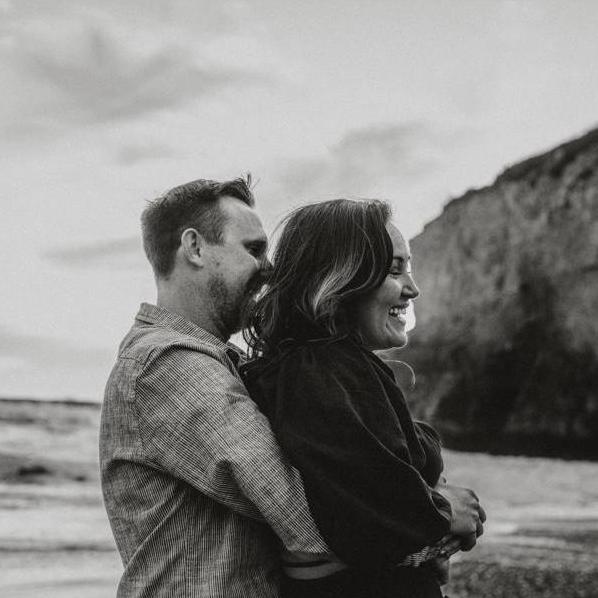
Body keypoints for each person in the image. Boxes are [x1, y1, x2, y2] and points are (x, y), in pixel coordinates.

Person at [241, 198, 486, 598]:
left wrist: (430, 530)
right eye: (394, 270)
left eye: (408, 268)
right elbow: (366, 507)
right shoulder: (316, 371)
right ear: (341, 279)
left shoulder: (328, 368)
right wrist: (442, 515)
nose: (413, 289)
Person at [99, 176, 331, 598]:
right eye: (254, 250)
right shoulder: (167, 364)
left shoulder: (208, 360)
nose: (269, 269)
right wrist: (436, 516)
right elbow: (299, 511)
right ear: (195, 248)